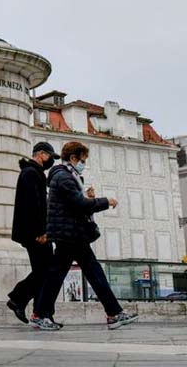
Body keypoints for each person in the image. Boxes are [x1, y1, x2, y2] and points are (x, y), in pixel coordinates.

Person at [31, 141, 138, 331]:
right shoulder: (64, 177)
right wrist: (106, 201)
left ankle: (113, 313)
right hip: (70, 233)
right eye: (83, 160)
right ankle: (41, 314)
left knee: (79, 273)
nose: (83, 164)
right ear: (73, 158)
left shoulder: (68, 176)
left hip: (72, 233)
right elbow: (79, 204)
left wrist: (88, 197)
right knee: (77, 274)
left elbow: (76, 202)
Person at [6, 142, 59, 325]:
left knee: (43, 271)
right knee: (46, 270)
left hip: (36, 231)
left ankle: (38, 311)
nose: (52, 160)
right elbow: (33, 204)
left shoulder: (34, 173)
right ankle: (20, 300)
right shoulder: (31, 173)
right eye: (51, 156)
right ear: (42, 154)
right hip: (36, 233)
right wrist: (41, 231)